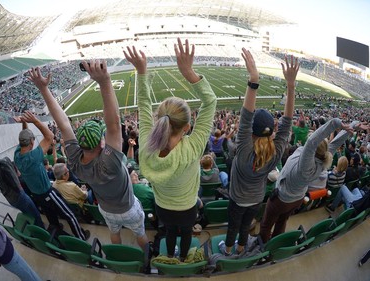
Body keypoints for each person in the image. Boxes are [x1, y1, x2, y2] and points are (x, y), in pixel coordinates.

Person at [28, 62, 149, 250]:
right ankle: (146, 258)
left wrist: (43, 89)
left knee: (114, 233)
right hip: (127, 208)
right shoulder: (110, 162)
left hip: (106, 210)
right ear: (101, 142)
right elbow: (114, 124)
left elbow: (64, 124)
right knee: (140, 234)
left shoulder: (75, 162)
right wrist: (105, 81)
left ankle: (118, 256)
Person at [123, 38, 217, 261]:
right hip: (187, 207)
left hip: (162, 206)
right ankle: (183, 257)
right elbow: (210, 101)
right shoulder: (192, 148)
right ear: (186, 127)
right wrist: (189, 72)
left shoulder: (146, 146)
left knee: (170, 232)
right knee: (185, 233)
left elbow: (143, 103)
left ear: (158, 121)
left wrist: (141, 71)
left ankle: (172, 253)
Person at [219, 51, 299, 256]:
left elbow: (245, 117)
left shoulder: (245, 148)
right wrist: (290, 87)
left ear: (251, 131)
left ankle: (228, 251)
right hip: (256, 199)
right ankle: (241, 248)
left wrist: (254, 81)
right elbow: (288, 121)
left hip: (237, 198)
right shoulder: (276, 150)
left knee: (233, 227)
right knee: (246, 227)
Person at [259, 119, 357, 243]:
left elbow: (311, 142)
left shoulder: (306, 164)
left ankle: (263, 245)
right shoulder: (323, 159)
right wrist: (352, 126)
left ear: (312, 149)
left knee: (266, 224)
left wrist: (336, 123)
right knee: (282, 221)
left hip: (283, 198)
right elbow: (336, 143)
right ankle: (275, 243)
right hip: (297, 198)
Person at [13, 111, 88, 240]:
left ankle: (56, 229)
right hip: (47, 192)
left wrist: (24, 122)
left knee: (50, 215)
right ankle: (81, 237)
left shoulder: (17, 155)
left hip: (36, 195)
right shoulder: (34, 157)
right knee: (69, 214)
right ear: (31, 143)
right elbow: (50, 136)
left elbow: (24, 138)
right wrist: (35, 121)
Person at [0, 151, 44, 229]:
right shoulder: (0, 169)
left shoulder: (4, 163)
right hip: (19, 196)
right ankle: (42, 232)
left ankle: (35, 229)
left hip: (12, 199)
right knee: (35, 214)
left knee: (27, 213)